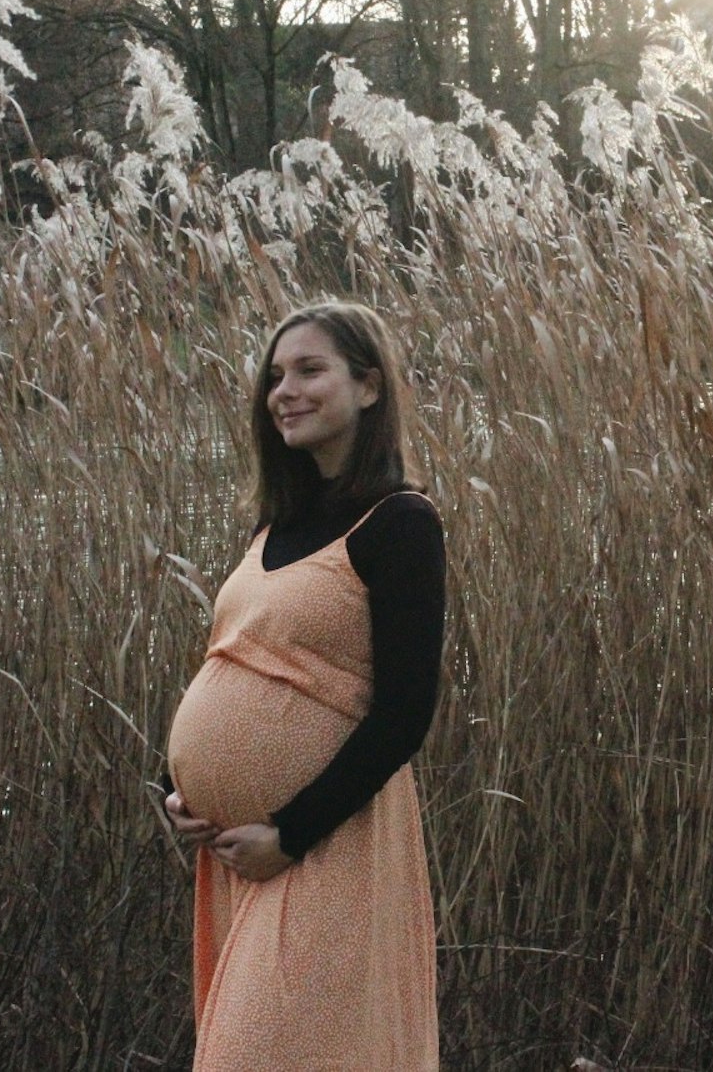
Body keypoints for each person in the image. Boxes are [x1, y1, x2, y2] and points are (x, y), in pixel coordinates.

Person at [163, 301, 446, 1070]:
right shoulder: (275, 526)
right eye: (275, 376)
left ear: (369, 386)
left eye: (309, 370)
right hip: (236, 854)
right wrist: (177, 787)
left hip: (324, 845)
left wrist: (289, 832)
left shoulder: (399, 522)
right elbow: (238, 662)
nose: (283, 391)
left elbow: (405, 712)